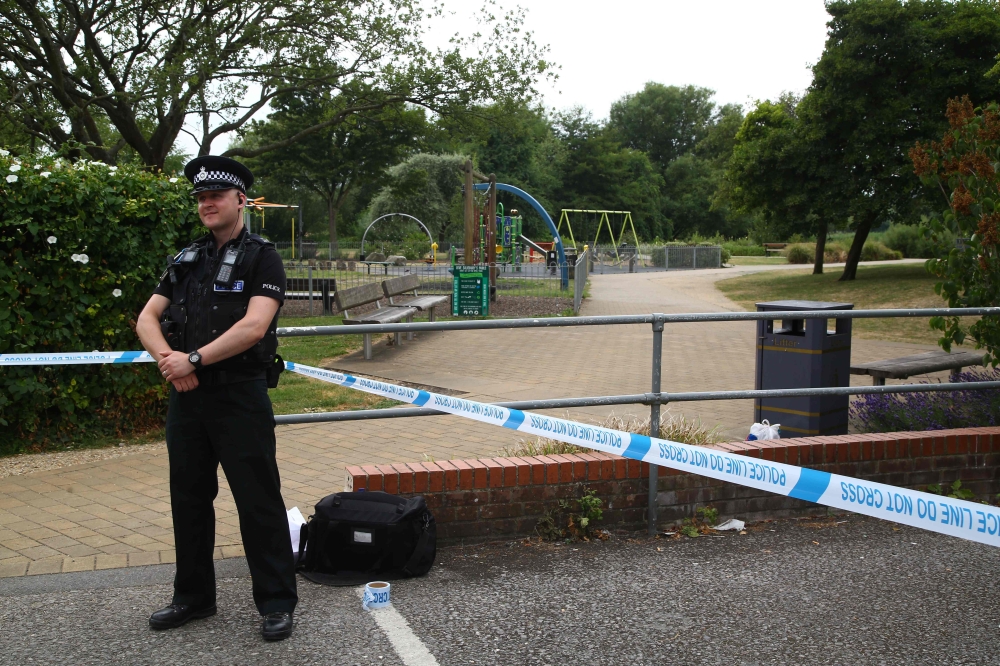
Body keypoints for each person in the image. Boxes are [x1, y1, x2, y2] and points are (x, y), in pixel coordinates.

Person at [136, 156, 297, 641]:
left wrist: (195, 360)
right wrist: (170, 360)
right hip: (187, 399)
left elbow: (254, 326)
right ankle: (192, 597)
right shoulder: (187, 258)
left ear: (240, 200)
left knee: (258, 499)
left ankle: (276, 602)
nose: (207, 203)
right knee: (187, 499)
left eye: (216, 196)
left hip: (239, 396)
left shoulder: (262, 257)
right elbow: (146, 319)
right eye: (201, 198)